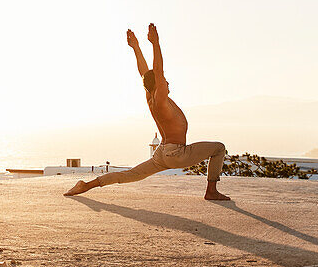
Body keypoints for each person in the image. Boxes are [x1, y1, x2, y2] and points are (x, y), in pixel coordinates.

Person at [64, 23, 231, 201]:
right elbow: (157, 72)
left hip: (162, 154)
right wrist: (155, 44)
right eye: (164, 81)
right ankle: (211, 191)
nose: (167, 83)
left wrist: (136, 48)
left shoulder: (151, 97)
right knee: (218, 148)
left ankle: (86, 185)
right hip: (176, 154)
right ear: (159, 85)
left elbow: (145, 73)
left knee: (130, 174)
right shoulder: (160, 100)